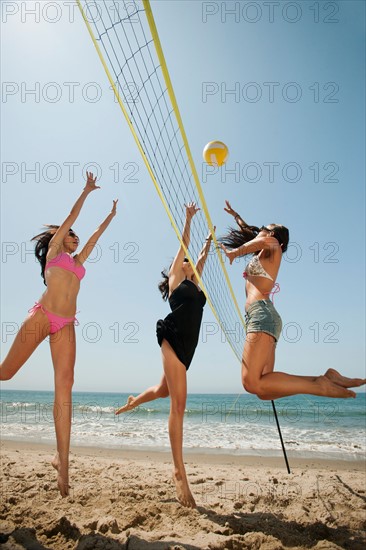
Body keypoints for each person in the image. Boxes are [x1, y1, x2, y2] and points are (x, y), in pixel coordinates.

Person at [0, 172, 118, 497]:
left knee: (65, 385)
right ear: (60, 237)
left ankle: (62, 462)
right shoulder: (53, 252)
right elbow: (71, 218)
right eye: (70, 235)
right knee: (6, 373)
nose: (75, 237)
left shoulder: (79, 262)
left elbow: (94, 236)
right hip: (42, 316)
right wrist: (86, 192)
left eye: (74, 236)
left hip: (65, 324)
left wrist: (110, 216)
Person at [116, 203, 212, 508]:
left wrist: (208, 244)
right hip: (172, 337)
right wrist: (188, 218)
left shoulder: (195, 284)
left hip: (189, 346)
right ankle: (178, 472)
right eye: (185, 261)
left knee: (163, 390)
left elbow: (199, 258)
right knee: (178, 405)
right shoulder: (175, 279)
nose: (189, 262)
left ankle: (135, 400)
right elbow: (184, 246)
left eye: (190, 262)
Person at [219, 200, 365, 400]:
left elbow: (261, 240)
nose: (259, 230)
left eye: (264, 228)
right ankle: (323, 379)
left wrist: (235, 252)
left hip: (261, 315)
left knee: (251, 383)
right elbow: (251, 232)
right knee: (264, 391)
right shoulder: (262, 252)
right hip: (264, 317)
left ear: (271, 235)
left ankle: (319, 386)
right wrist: (235, 215)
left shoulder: (273, 247)